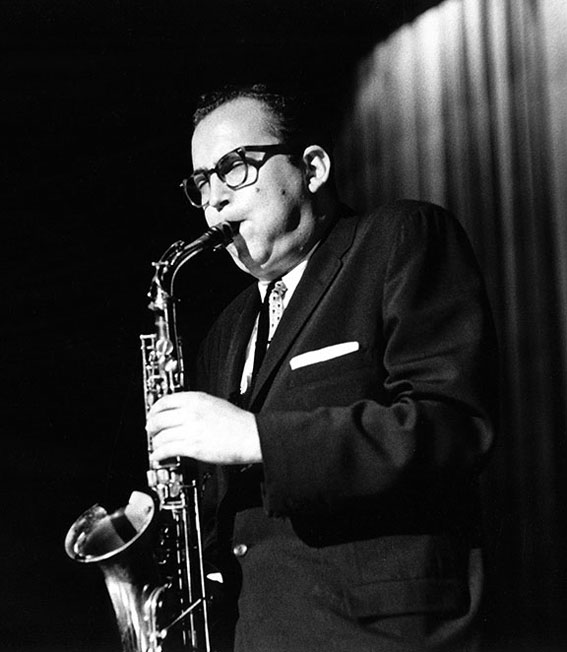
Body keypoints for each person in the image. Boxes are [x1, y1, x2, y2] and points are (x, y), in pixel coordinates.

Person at [146, 84, 498, 652]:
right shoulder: (223, 332)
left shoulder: (399, 240)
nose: (213, 201)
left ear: (312, 168)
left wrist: (257, 438)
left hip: (382, 635)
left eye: (233, 168)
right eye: (201, 182)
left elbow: (452, 427)